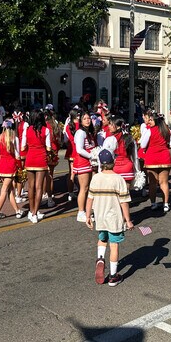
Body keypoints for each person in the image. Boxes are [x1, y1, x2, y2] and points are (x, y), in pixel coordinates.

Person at [85, 149, 134, 287]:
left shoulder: (95, 178)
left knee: (102, 239)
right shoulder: (118, 179)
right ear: (114, 161)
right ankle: (113, 276)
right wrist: (128, 220)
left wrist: (88, 216)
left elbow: (90, 199)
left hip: (100, 217)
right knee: (114, 245)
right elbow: (124, 202)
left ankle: (100, 259)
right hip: (114, 218)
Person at [140, 111, 171, 212]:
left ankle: (153, 203)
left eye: (150, 120)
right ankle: (166, 204)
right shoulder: (166, 130)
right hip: (164, 157)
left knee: (152, 183)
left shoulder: (149, 130)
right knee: (164, 182)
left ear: (155, 120)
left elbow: (142, 145)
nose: (149, 122)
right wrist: (165, 146)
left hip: (152, 158)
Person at [21, 110, 51, 223]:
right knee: (39, 187)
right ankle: (35, 213)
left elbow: (23, 146)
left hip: (30, 158)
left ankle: (32, 211)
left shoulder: (27, 130)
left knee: (30, 187)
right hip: (41, 159)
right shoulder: (46, 130)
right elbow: (48, 147)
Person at [0, 119, 22, 220]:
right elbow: (18, 156)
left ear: (4, 127)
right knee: (4, 190)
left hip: (1, 166)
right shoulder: (15, 138)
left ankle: (17, 211)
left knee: (10, 190)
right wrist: (20, 168)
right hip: (10, 167)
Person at [73, 111, 97, 223]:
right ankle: (80, 212)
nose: (87, 120)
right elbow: (79, 149)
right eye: (85, 118)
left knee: (88, 188)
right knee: (84, 188)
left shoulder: (89, 132)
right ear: (80, 121)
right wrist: (91, 156)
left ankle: (86, 211)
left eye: (88, 118)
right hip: (82, 162)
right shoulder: (80, 132)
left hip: (88, 162)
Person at [102, 117, 138, 189]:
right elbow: (135, 157)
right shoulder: (130, 138)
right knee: (125, 195)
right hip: (128, 168)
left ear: (118, 127)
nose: (109, 126)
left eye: (111, 125)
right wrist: (137, 170)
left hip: (114, 168)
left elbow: (104, 156)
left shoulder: (109, 139)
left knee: (115, 195)